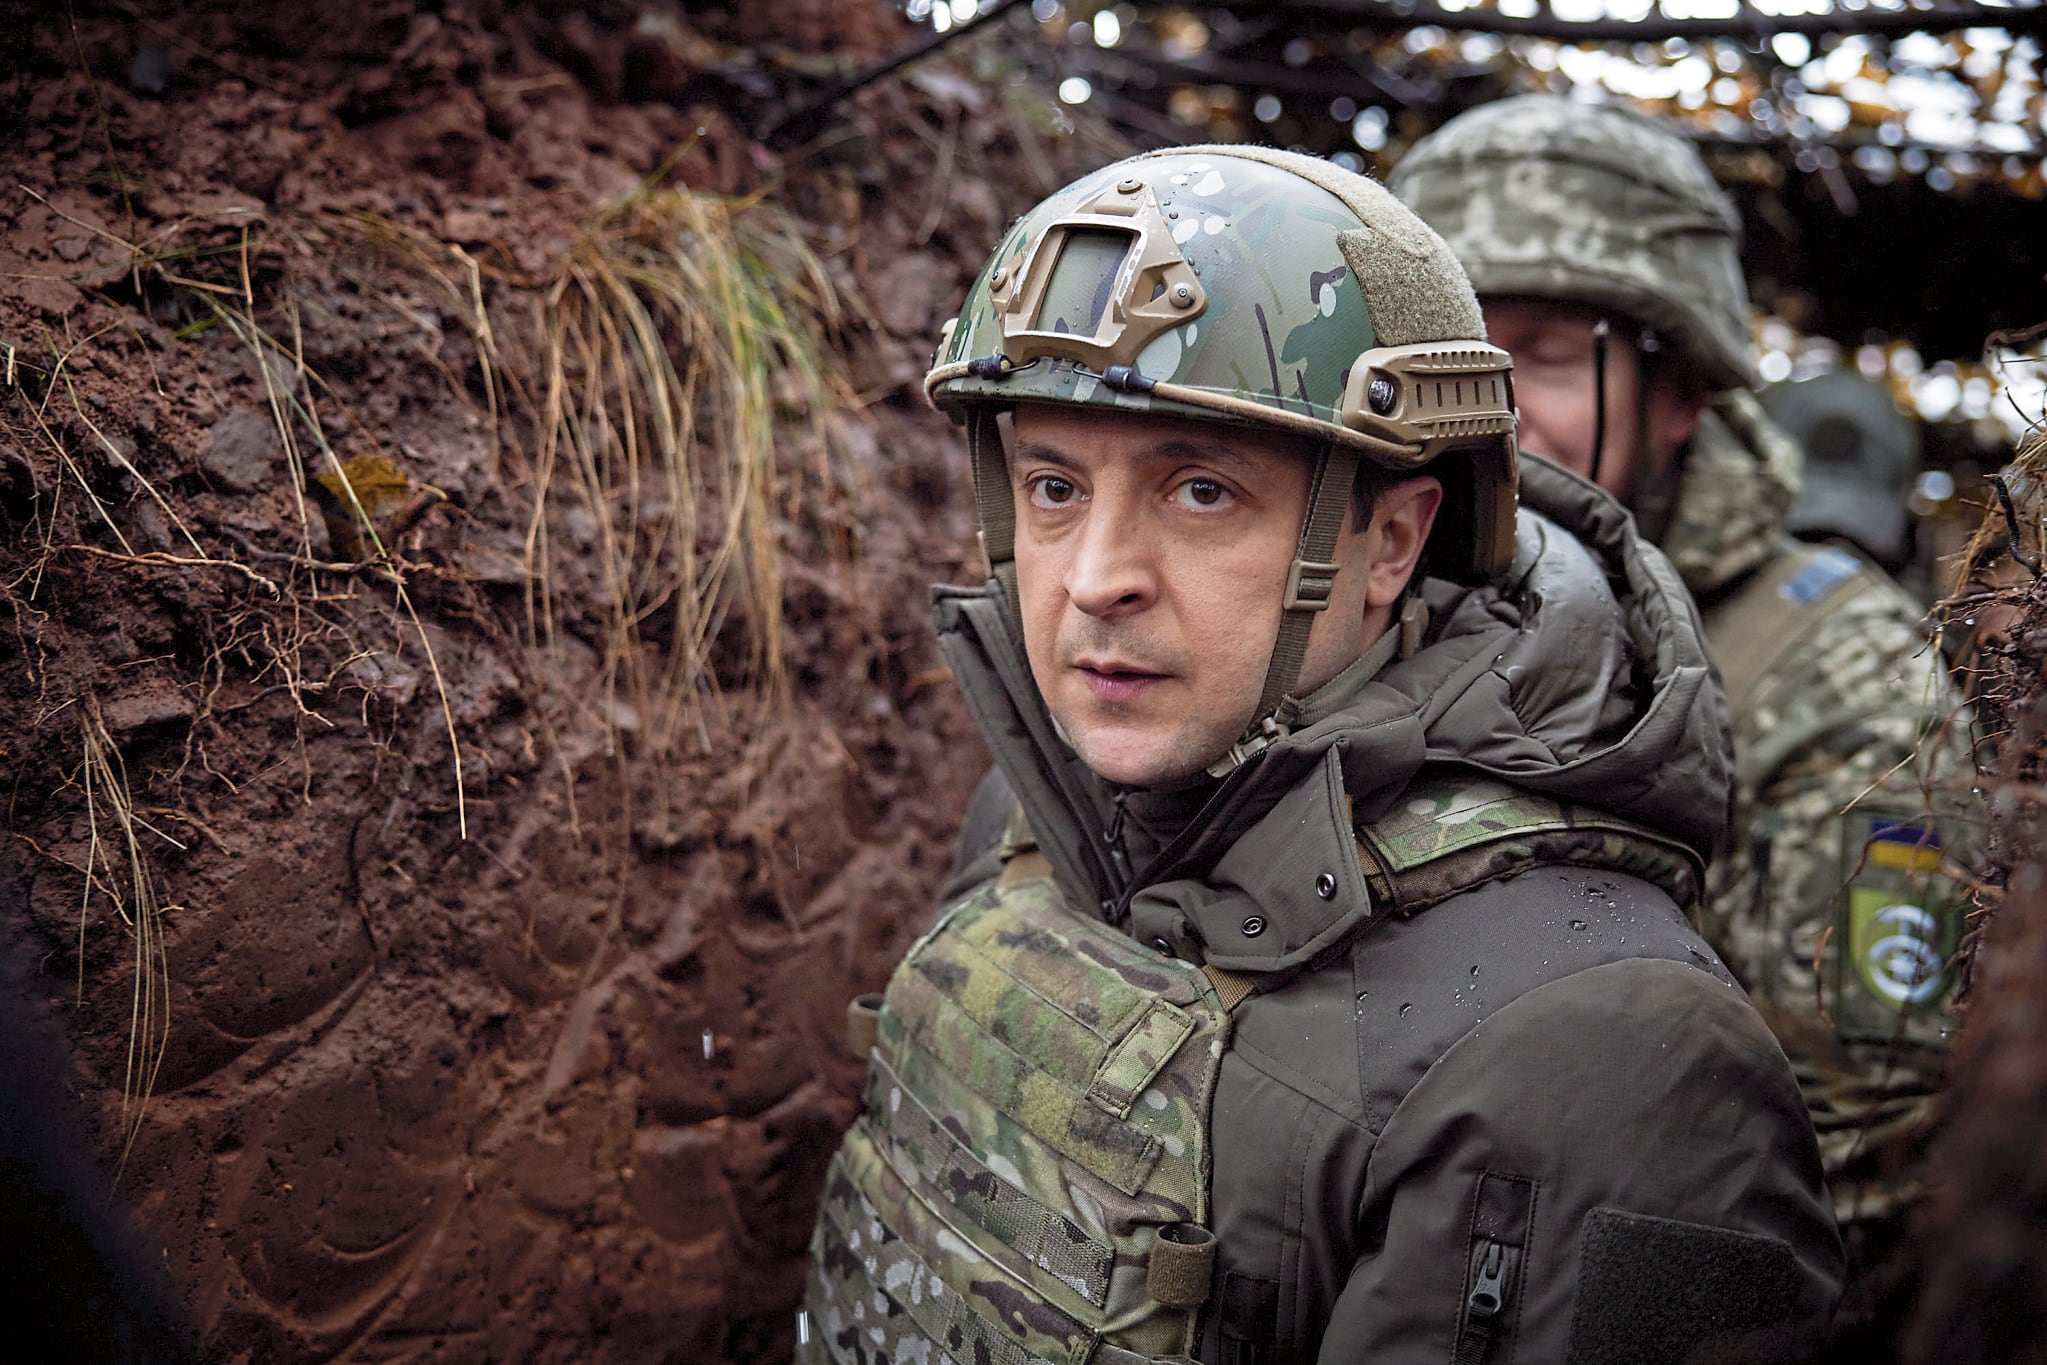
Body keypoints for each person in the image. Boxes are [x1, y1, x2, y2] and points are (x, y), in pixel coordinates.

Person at [798, 145, 1841, 1364]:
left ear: (1392, 541)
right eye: (1051, 485)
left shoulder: (1606, 1055)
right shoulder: (1045, 804)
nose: (1092, 581)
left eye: (1198, 492)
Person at [1389, 96, 1977, 1286]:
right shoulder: (1363, 593)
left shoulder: (1845, 680)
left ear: (1680, 395)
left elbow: (1865, 1137)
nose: (1485, 413)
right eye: (1454, 354)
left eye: (1545, 358)